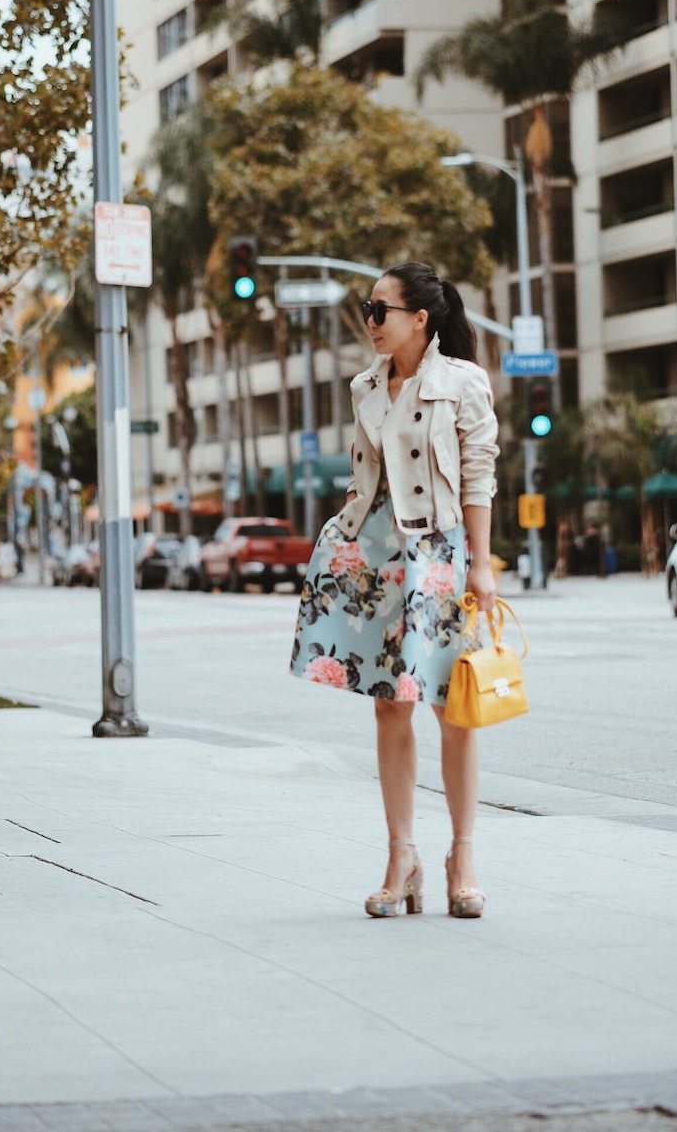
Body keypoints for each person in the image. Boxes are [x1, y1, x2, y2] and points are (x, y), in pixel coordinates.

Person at [290, 262, 500, 920]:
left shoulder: (463, 382)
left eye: (380, 309)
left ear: (420, 317)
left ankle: (462, 857)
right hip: (375, 552)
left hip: (436, 553)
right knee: (389, 705)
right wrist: (341, 543)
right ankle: (401, 855)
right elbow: (365, 476)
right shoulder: (366, 386)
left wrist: (481, 563)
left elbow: (478, 475)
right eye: (367, 308)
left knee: (455, 706)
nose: (370, 320)